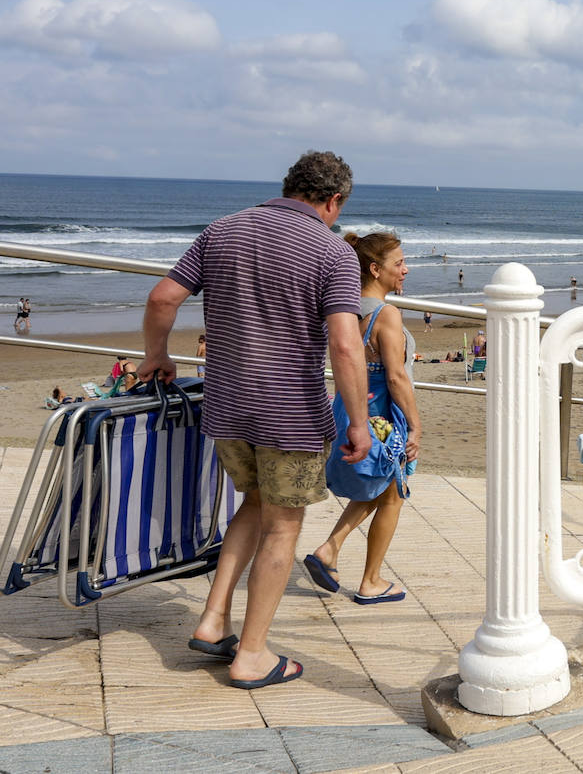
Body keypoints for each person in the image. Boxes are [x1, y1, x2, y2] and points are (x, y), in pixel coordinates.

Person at [137, 150, 368, 691]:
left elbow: (163, 297)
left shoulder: (223, 230)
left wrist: (157, 355)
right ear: (333, 201)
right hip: (290, 414)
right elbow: (344, 344)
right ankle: (253, 655)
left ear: (289, 186)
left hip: (227, 406)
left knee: (255, 503)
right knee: (283, 527)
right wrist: (357, 420)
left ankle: (213, 619)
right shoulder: (333, 252)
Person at [310, 232, 423, 607]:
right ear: (375, 269)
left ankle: (331, 549)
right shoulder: (386, 314)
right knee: (394, 492)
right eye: (398, 264)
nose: (405, 270)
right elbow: (396, 376)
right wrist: (416, 424)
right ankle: (370, 581)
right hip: (381, 414)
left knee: (384, 487)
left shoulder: (346, 310)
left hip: (348, 404)